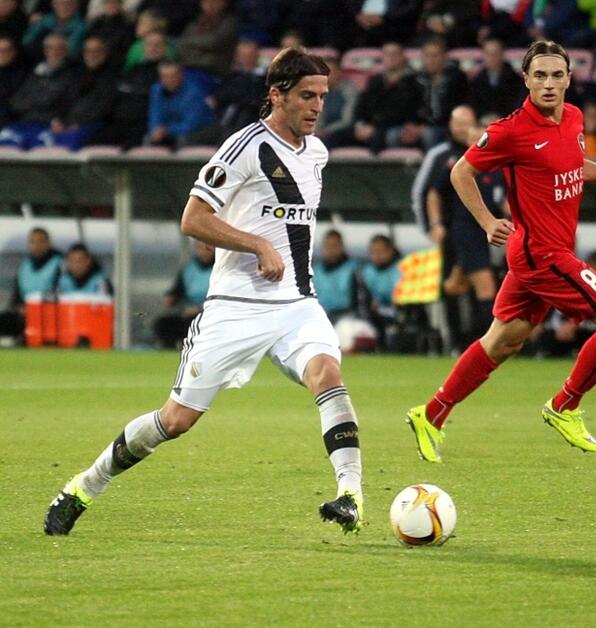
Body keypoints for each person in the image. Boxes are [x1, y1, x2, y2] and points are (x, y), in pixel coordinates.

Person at [44, 47, 365, 537]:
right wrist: (255, 242)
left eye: (323, 96)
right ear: (276, 95)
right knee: (175, 421)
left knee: (327, 373)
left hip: (297, 304)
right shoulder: (243, 148)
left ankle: (350, 495)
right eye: (307, 96)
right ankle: (83, 486)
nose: (318, 106)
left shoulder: (317, 153)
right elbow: (193, 219)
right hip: (234, 309)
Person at [405, 40, 596, 463]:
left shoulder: (574, 118)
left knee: (502, 342)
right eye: (539, 75)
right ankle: (565, 406)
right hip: (542, 254)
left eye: (557, 75)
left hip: (539, 251)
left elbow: (572, 166)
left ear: (569, 79)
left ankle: (431, 414)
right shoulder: (510, 131)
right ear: (526, 80)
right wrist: (487, 221)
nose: (549, 83)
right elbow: (461, 172)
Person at [417, 105, 503, 351]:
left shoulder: (497, 166)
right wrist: (434, 224)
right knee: (485, 286)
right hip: (465, 231)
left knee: (456, 285)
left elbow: (505, 201)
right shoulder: (457, 162)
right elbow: (431, 192)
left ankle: (462, 339)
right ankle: (484, 345)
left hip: (481, 233)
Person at [0, 227, 61, 343]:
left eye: (40, 241)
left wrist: (35, 308)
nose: (36, 245)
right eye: (32, 241)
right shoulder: (24, 266)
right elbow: (17, 296)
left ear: (48, 243)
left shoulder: (59, 264)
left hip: (48, 314)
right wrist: (18, 307)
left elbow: (62, 292)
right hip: (25, 313)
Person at [153, 240, 214, 349]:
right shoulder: (189, 268)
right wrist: (170, 298)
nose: (203, 252)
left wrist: (199, 308)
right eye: (200, 248)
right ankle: (169, 351)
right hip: (187, 312)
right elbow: (177, 290)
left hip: (210, 313)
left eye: (207, 248)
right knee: (163, 324)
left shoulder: (219, 269)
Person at [360, 233, 401, 350]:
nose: (378, 256)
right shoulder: (366, 272)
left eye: (381, 251)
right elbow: (364, 299)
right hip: (376, 313)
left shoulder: (400, 269)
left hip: (397, 310)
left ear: (391, 251)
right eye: (374, 252)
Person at [311, 229, 361, 324]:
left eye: (334, 246)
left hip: (346, 317)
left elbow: (361, 300)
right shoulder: (316, 270)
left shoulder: (354, 269)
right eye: (327, 246)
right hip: (321, 316)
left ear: (342, 247)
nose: (331, 250)